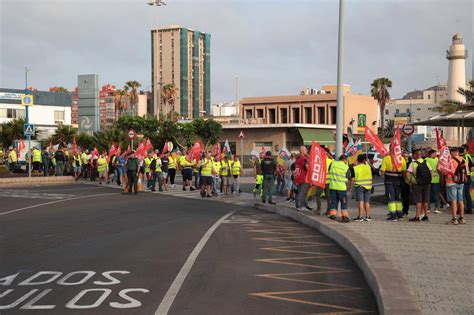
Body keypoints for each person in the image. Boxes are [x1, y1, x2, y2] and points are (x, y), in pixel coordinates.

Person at [380, 146, 406, 221]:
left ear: (390, 149)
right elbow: (404, 171)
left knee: (391, 198)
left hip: (389, 181)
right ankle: (400, 215)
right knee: (398, 197)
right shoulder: (402, 158)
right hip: (399, 180)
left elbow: (382, 172)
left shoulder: (386, 158)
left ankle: (393, 215)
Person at [443, 147, 468, 225]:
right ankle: (462, 218)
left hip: (451, 183)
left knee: (453, 201)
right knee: (460, 201)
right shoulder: (464, 160)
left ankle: (454, 219)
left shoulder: (451, 161)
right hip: (461, 182)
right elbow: (466, 171)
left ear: (453, 153)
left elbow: (447, 172)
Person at [406, 149, 432, 222]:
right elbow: (431, 172)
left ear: (415, 155)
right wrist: (429, 181)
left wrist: (410, 182)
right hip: (426, 184)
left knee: (418, 201)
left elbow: (408, 174)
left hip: (417, 184)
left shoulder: (413, 163)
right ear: (420, 155)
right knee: (425, 200)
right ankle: (426, 216)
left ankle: (417, 217)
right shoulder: (426, 162)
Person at [328, 155, 351, 223]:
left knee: (334, 201)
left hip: (332, 187)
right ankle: (344, 216)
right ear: (345, 160)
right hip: (341, 188)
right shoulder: (346, 167)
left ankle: (332, 215)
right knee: (343, 202)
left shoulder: (332, 163)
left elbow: (329, 170)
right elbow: (349, 176)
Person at [351, 154, 373, 221]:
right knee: (367, 201)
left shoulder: (355, 168)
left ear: (357, 160)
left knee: (361, 201)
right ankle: (368, 216)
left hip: (359, 186)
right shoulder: (368, 167)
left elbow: (352, 179)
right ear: (364, 160)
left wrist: (351, 188)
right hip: (368, 186)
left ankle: (360, 217)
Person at [293, 146, 312, 212]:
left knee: (300, 192)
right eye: (305, 149)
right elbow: (307, 167)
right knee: (303, 193)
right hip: (304, 178)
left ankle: (299, 206)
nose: (306, 150)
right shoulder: (304, 158)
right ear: (302, 151)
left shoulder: (297, 158)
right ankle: (301, 206)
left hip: (298, 178)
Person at [460, 144, 473, 214]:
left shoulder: (465, 156)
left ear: (466, 150)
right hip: (466, 177)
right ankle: (469, 208)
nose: (462, 150)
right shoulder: (468, 156)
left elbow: (472, 168)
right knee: (466, 193)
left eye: (463, 149)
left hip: (465, 177)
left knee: (463, 194)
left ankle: (463, 209)